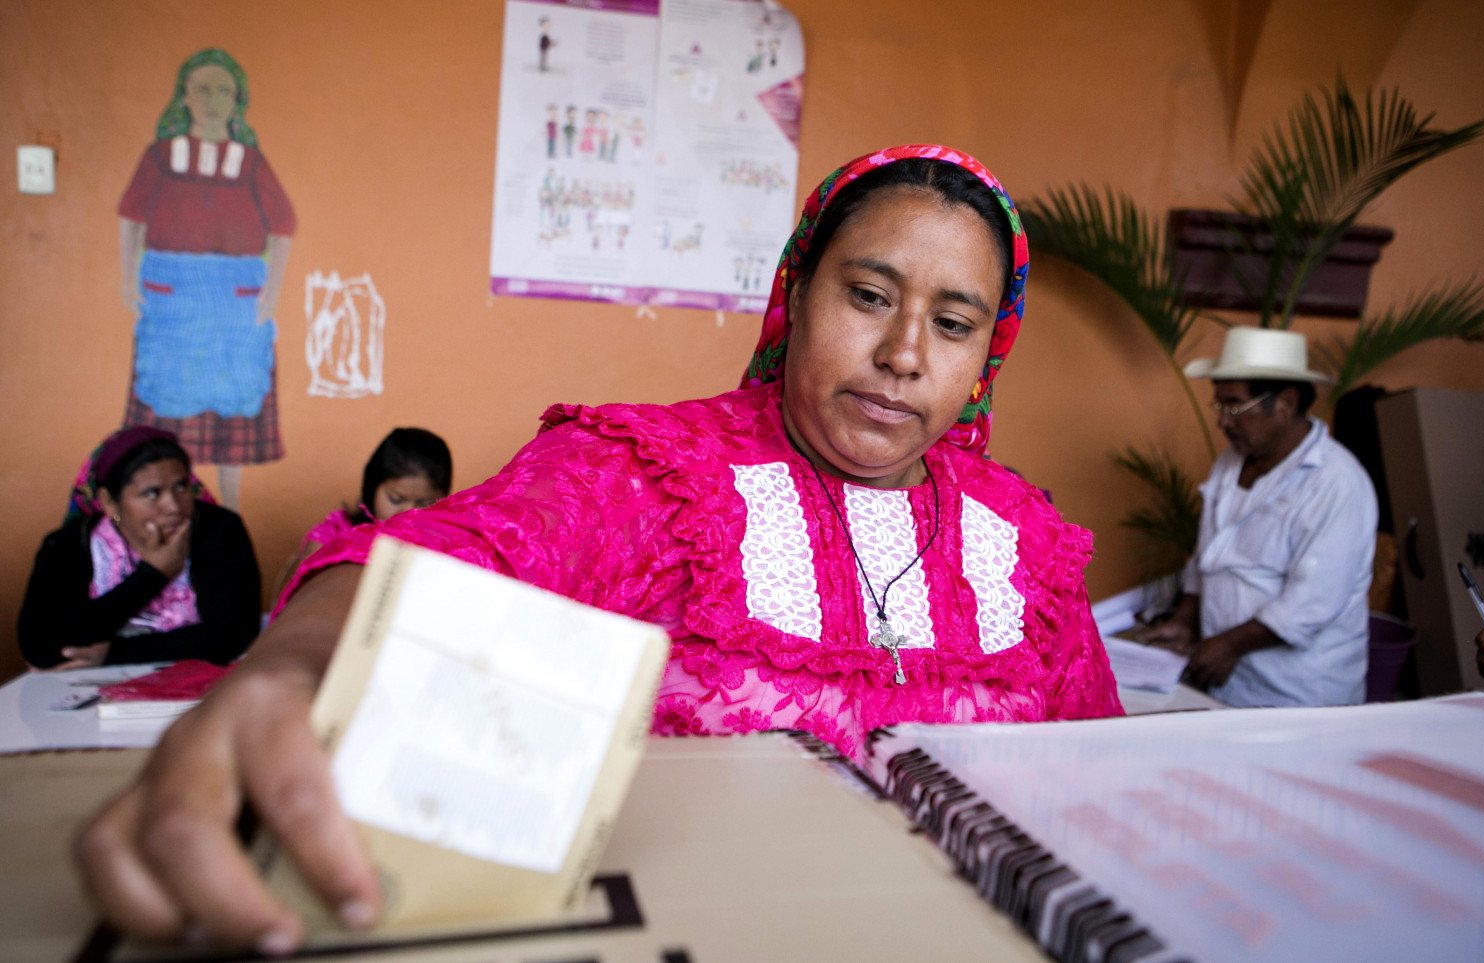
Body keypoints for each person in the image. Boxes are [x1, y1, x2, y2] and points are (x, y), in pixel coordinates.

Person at [76, 145, 1121, 951]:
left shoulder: (1024, 544)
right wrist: (304, 663)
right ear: (796, 293)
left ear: (989, 356)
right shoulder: (655, 474)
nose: (902, 355)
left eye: (953, 323)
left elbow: (1108, 790)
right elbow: (435, 555)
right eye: (868, 296)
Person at [1139, 327, 1378, 707]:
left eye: (1234, 406)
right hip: (1227, 679)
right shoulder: (1229, 464)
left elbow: (1312, 604)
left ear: (1284, 402)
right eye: (1219, 406)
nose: (1224, 421)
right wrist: (1185, 621)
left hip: (1297, 694)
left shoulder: (1337, 483)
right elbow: (1209, 555)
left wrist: (1230, 645)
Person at [118, 48, 296, 510]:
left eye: (223, 90)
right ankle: (171, 504)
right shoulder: (162, 157)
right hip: (171, 296)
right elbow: (132, 218)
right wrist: (127, 279)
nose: (212, 99)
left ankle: (229, 510)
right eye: (202, 89)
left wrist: (271, 293)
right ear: (184, 98)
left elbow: (283, 226)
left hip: (235, 301)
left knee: (231, 404)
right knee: (170, 402)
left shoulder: (250, 162)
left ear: (238, 100)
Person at [18, 427, 262, 669]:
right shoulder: (69, 545)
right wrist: (154, 573)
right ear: (109, 502)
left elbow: (231, 635)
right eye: (152, 493)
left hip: (202, 685)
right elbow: (43, 647)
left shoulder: (219, 530)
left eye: (181, 487)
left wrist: (114, 653)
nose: (173, 506)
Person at [270, 428, 452, 600]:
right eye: (396, 499)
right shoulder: (334, 535)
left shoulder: (450, 544)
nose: (407, 513)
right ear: (371, 488)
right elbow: (299, 597)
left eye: (426, 504)